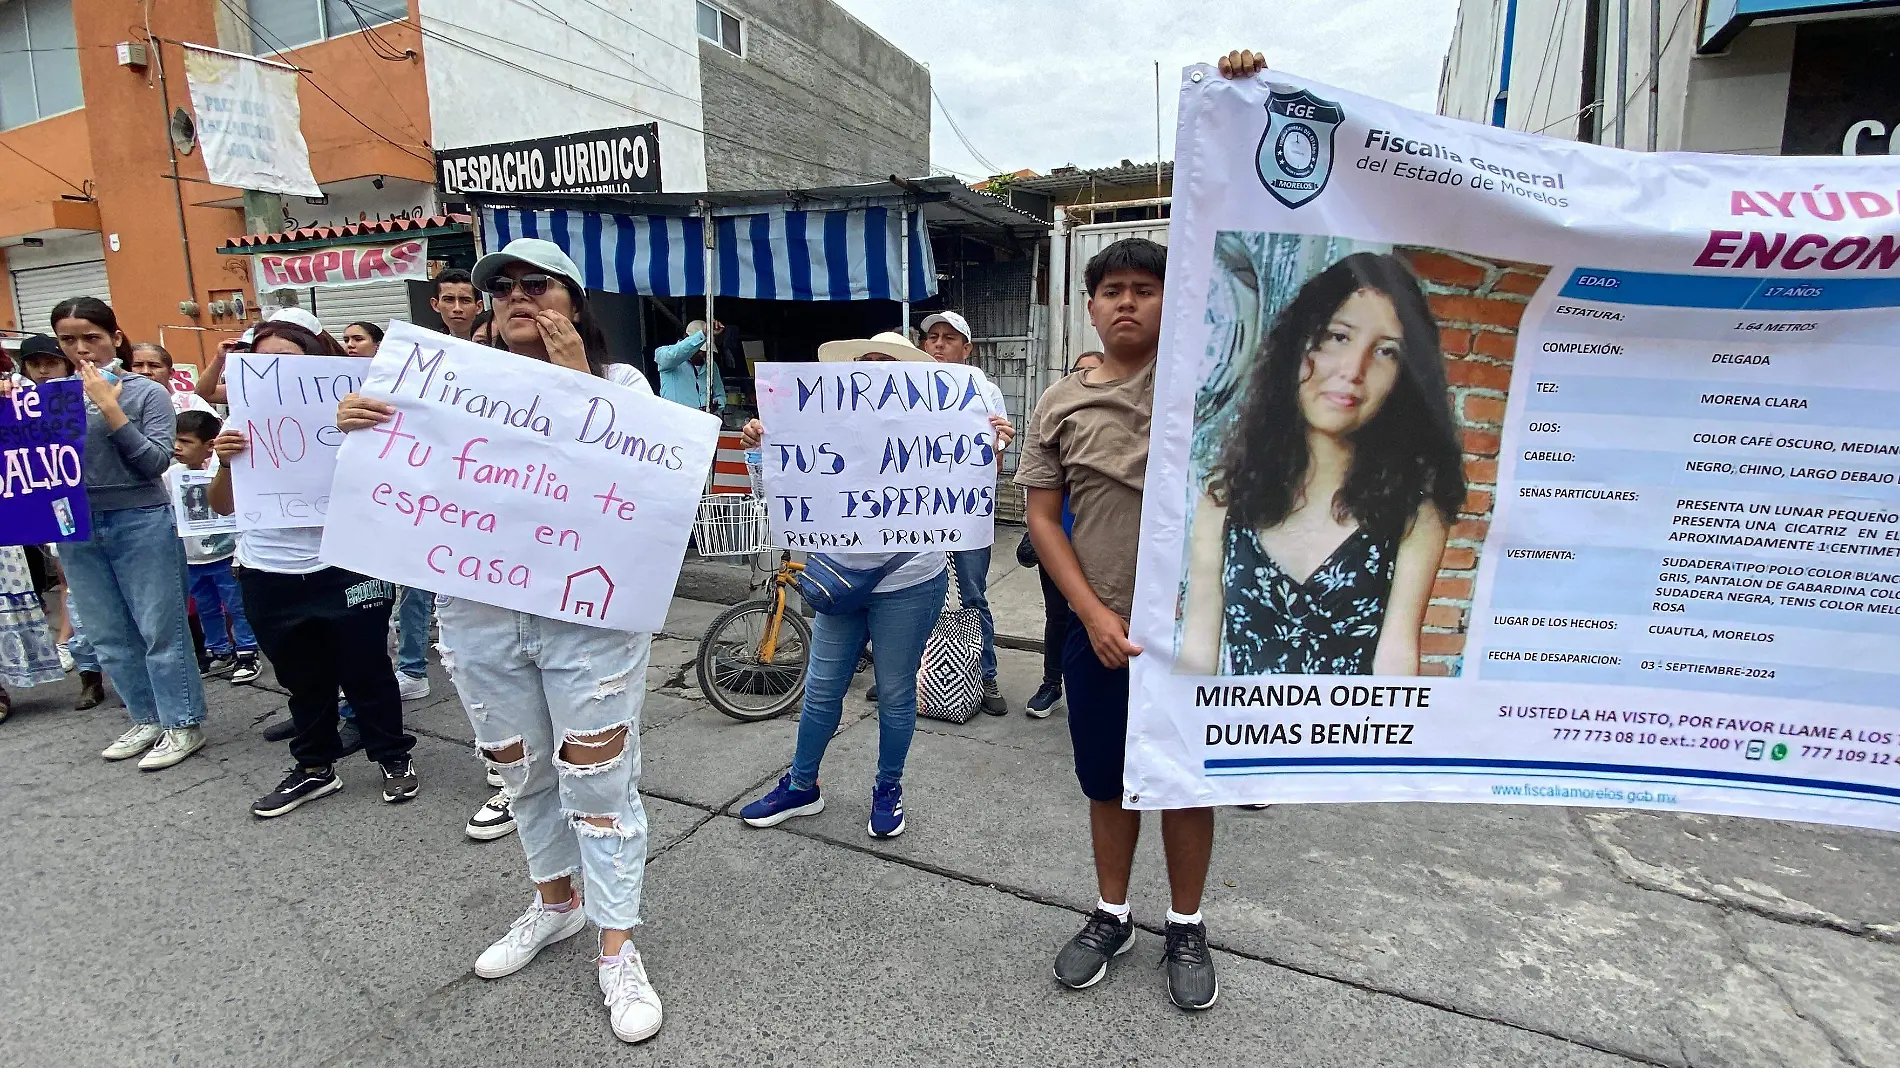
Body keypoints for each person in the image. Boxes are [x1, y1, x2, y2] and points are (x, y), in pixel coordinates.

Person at [337, 238, 665, 1044]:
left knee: (597, 775)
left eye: (538, 285)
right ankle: (556, 904)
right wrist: (356, 426)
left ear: (575, 301)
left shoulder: (621, 384)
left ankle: (616, 945)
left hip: (585, 616)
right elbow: (404, 473)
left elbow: (645, 484)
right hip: (479, 611)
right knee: (520, 771)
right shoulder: (448, 382)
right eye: (504, 287)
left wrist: (578, 381)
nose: (519, 296)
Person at [1015, 234, 1221, 1010]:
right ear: (1091, 307)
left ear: (1174, 300)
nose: (1128, 300)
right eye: (1112, 290)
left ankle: (1187, 922)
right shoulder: (1060, 401)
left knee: (1185, 782)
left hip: (1193, 628)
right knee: (1106, 781)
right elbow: (1040, 517)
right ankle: (1112, 914)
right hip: (1098, 629)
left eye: (1146, 287)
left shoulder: (1204, 387)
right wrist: (1092, 611)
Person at [736, 330, 1011, 839]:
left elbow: (975, 482)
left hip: (910, 580)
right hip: (838, 576)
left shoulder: (935, 422)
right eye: (868, 361)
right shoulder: (821, 421)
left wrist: (990, 444)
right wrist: (761, 450)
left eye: (889, 362)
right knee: (821, 689)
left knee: (896, 691)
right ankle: (802, 785)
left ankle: (888, 788)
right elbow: (775, 492)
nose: (876, 370)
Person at [1178, 253, 1459, 676]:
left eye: (1386, 351)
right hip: (1238, 735)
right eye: (1337, 337)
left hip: (1348, 738)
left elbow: (1397, 658)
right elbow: (1198, 651)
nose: (1353, 370)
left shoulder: (1414, 514)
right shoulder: (1225, 499)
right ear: (1298, 343)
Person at [208, 320, 417, 817]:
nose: (273, 370)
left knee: (368, 670)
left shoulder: (357, 411)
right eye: (261, 362)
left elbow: (392, 483)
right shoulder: (239, 424)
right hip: (266, 570)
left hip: (346, 564)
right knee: (303, 679)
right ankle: (314, 767)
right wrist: (223, 463)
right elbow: (221, 507)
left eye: (286, 358)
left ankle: (393, 757)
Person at [21, 298, 210, 770]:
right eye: (69, 340)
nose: (81, 348)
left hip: (139, 518)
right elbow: (32, 469)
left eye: (92, 337)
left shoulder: (146, 392)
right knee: (107, 631)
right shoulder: (48, 397)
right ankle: (145, 717)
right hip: (73, 523)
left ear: (115, 337)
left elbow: (153, 463)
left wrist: (111, 409)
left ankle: (182, 721)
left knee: (159, 627)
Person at [917, 310, 1016, 714]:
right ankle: (913, 675)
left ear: (967, 348)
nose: (938, 344)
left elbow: (994, 452)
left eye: (949, 338)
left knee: (972, 594)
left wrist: (999, 443)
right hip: (917, 513)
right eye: (932, 337)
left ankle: (985, 676)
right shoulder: (910, 389)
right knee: (921, 594)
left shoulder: (985, 391)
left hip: (967, 513)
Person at [15, 335, 106, 709]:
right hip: (53, 511)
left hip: (98, 503)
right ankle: (89, 675)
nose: (42, 370)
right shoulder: (16, 406)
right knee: (74, 592)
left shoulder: (89, 394)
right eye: (33, 364)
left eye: (49, 362)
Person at [1023, 350, 1104, 719]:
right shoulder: (1057, 424)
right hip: (1061, 548)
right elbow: (1040, 499)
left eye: (1094, 373)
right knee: (1059, 617)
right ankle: (1052, 684)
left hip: (1106, 552)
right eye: (1078, 373)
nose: (1086, 381)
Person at [170, 410, 261, 684]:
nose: (177, 447)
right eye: (175, 440)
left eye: (186, 442)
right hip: (192, 557)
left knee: (236, 604)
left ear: (210, 445)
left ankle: (246, 650)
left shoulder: (221, 471)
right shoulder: (172, 474)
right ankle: (219, 650)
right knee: (206, 607)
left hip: (224, 554)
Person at [653, 320, 725, 412]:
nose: (703, 354)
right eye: (699, 350)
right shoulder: (664, 354)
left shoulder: (711, 366)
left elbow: (720, 396)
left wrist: (715, 406)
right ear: (685, 337)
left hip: (702, 422)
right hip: (674, 422)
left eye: (706, 351)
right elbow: (676, 354)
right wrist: (702, 335)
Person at [128, 343, 216, 415]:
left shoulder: (191, 402)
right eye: (137, 365)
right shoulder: (116, 401)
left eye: (154, 366)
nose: (145, 371)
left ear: (171, 373)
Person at [430, 268, 481, 340]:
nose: (457, 308)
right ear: (435, 305)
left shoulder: (496, 346)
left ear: (479, 307)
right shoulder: (429, 347)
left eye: (466, 301)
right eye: (448, 300)